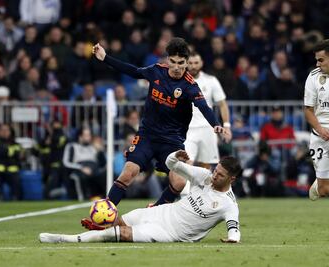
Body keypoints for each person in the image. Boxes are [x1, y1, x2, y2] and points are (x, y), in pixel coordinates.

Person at [91, 37, 227, 206]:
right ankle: (106, 212)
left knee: (179, 182)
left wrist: (216, 124)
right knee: (128, 173)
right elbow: (133, 71)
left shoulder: (190, 86)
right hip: (147, 136)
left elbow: (204, 106)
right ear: (167, 59)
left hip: (171, 141)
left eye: (181, 63)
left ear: (187, 63)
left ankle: (156, 209)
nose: (177, 67)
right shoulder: (156, 71)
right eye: (173, 61)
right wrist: (105, 58)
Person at [39, 150, 242, 243]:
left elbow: (234, 229)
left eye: (220, 175)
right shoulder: (205, 177)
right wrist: (174, 157)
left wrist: (233, 239)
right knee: (117, 221)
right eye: (216, 170)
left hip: (169, 232)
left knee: (118, 234)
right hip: (161, 212)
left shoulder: (228, 205)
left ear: (231, 179)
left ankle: (65, 239)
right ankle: (99, 226)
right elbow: (173, 166)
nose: (215, 175)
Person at [304, 39, 329, 240]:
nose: (318, 64)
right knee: (325, 189)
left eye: (321, 60)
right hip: (320, 137)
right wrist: (319, 128)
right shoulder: (314, 77)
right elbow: (308, 110)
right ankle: (317, 185)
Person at [185, 51, 232, 169]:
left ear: (201, 63)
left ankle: (201, 188)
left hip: (207, 129)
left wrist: (226, 125)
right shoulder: (178, 81)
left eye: (196, 62)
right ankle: (186, 188)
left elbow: (222, 104)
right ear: (186, 63)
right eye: (190, 63)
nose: (193, 66)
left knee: (205, 167)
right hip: (186, 129)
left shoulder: (211, 80)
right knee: (186, 164)